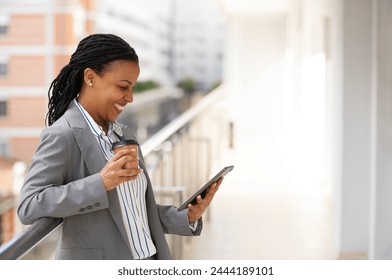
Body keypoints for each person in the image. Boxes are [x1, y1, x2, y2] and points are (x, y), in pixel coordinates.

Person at [17, 33, 222, 260]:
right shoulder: (61, 135)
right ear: (90, 77)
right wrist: (99, 183)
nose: (130, 97)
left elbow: (134, 210)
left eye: (132, 87)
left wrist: (186, 216)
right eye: (123, 86)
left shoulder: (123, 134)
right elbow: (29, 206)